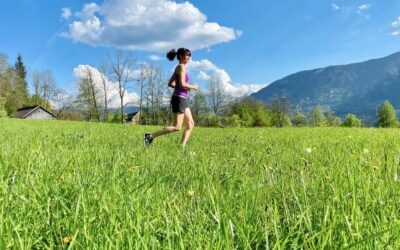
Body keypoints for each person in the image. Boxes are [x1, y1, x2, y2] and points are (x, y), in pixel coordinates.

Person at [144, 48, 198, 147]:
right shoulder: (181, 67)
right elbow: (182, 84)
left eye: (190, 56)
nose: (189, 58)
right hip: (179, 99)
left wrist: (185, 87)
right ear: (181, 56)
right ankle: (150, 136)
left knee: (190, 124)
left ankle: (181, 147)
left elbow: (171, 83)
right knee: (177, 127)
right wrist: (193, 86)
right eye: (187, 55)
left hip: (182, 98)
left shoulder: (180, 67)